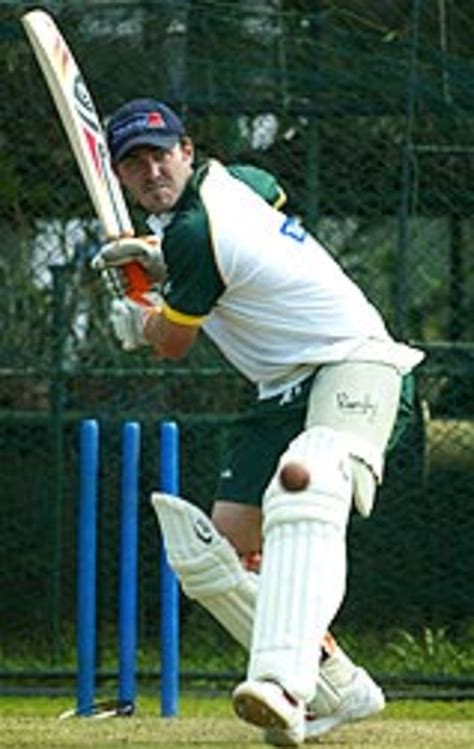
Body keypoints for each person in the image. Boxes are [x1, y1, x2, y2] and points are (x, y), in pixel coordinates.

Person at [92, 98, 425, 745]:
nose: (152, 171)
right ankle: (342, 686)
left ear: (187, 150)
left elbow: (173, 343)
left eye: (161, 154)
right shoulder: (238, 180)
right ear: (122, 177)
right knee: (218, 554)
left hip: (353, 360)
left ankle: (282, 682)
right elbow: (268, 200)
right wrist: (168, 262)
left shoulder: (195, 234)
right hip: (280, 388)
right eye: (134, 164)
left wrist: (140, 314)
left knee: (310, 480)